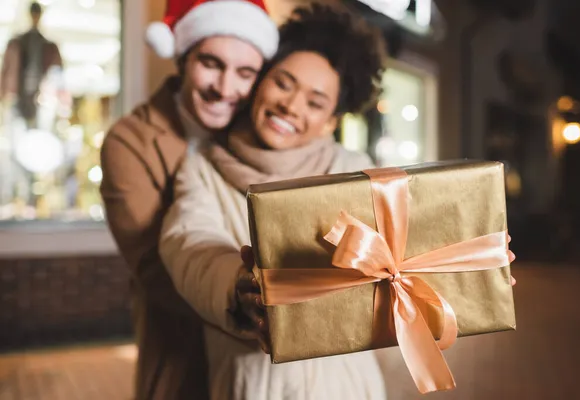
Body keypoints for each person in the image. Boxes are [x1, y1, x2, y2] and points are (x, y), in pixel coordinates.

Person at [159, 5, 388, 399]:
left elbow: (397, 258)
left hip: (345, 385)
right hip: (248, 385)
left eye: (315, 103)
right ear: (262, 82)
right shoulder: (203, 166)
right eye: (284, 83)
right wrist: (236, 287)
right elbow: (189, 243)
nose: (291, 105)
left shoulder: (353, 171)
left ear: (330, 121)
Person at [99, 0, 278, 398]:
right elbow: (154, 270)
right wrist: (244, 301)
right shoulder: (130, 142)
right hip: (186, 352)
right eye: (211, 63)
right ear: (183, 57)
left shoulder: (263, 129)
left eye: (245, 72)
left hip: (269, 370)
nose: (225, 88)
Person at [0, 2, 62, 125]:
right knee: (17, 128)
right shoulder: (16, 43)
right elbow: (6, 70)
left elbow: (57, 73)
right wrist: (4, 93)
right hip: (18, 95)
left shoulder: (49, 47)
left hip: (41, 96)